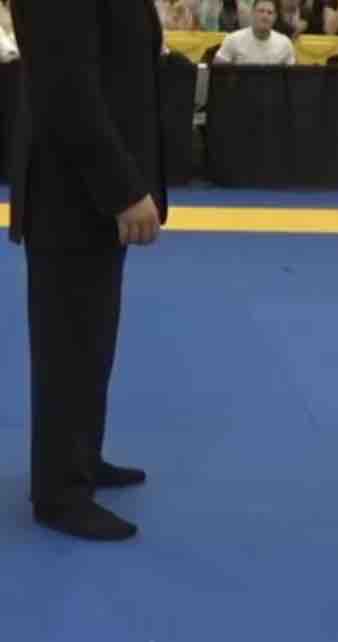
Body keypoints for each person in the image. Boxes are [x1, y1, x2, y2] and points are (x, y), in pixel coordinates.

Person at [8, 0, 168, 541]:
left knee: (90, 339)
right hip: (70, 190)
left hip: (87, 189)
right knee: (68, 343)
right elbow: (65, 88)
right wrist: (121, 188)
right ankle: (59, 492)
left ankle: (79, 457)